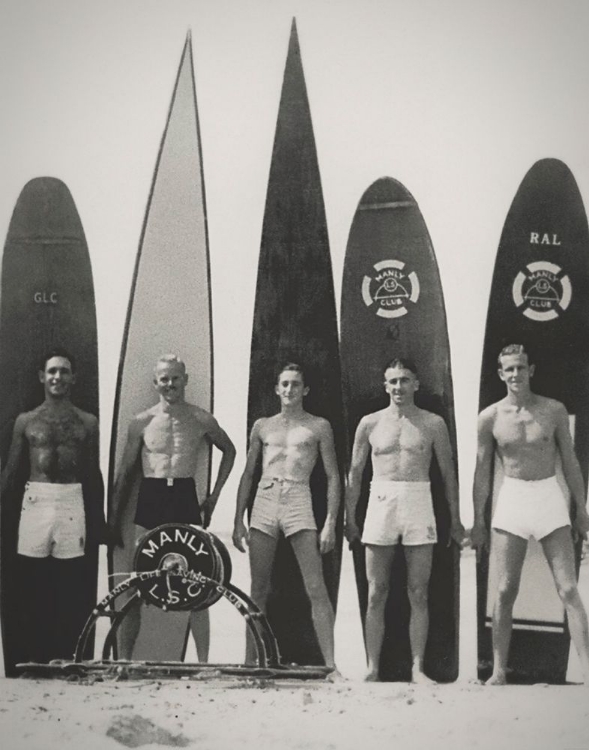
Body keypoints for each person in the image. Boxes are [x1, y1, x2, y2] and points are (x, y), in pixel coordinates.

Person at [472, 343, 589, 685]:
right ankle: (498, 671)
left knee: (568, 588)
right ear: (500, 373)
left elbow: (571, 462)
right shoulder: (490, 417)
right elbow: (481, 472)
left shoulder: (553, 411)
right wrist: (477, 519)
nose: (515, 375)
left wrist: (581, 509)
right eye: (508, 369)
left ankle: (587, 669)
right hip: (513, 499)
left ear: (531, 370)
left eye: (520, 368)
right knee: (506, 590)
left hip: (549, 497)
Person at [110, 354, 236, 660]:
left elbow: (229, 451)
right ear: (155, 383)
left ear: (185, 380)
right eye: (164, 379)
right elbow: (126, 472)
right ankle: (125, 661)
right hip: (151, 496)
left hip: (184, 494)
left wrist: (215, 496)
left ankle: (203, 662)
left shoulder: (200, 419)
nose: (170, 384)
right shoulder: (141, 421)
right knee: (137, 583)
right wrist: (113, 522)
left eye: (175, 378)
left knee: (198, 582)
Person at [345, 358, 463, 683]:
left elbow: (448, 475)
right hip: (380, 499)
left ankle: (417, 668)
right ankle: (373, 667)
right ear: (385, 386)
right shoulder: (369, 424)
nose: (399, 387)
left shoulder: (433, 423)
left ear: (416, 384)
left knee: (418, 591)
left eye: (405, 380)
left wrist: (455, 518)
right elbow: (354, 475)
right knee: (376, 591)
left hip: (418, 500)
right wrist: (349, 518)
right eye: (393, 381)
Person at [232, 362, 340, 670]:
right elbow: (249, 473)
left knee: (316, 587)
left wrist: (331, 521)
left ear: (305, 389)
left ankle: (331, 665)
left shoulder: (318, 426)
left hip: (298, 496)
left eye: (295, 384)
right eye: (285, 384)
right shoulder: (263, 425)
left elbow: (333, 476)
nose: (290, 390)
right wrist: (238, 518)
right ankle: (251, 662)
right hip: (265, 497)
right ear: (277, 389)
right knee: (258, 589)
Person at [0, 348, 105, 665]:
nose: (57, 377)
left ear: (73, 378)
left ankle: (64, 655)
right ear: (42, 377)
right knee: (31, 579)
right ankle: (33, 654)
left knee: (69, 580)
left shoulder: (87, 421)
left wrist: (100, 520)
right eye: (52, 371)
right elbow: (11, 470)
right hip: (36, 500)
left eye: (64, 371)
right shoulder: (27, 420)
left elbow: (92, 473)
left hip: (71, 501)